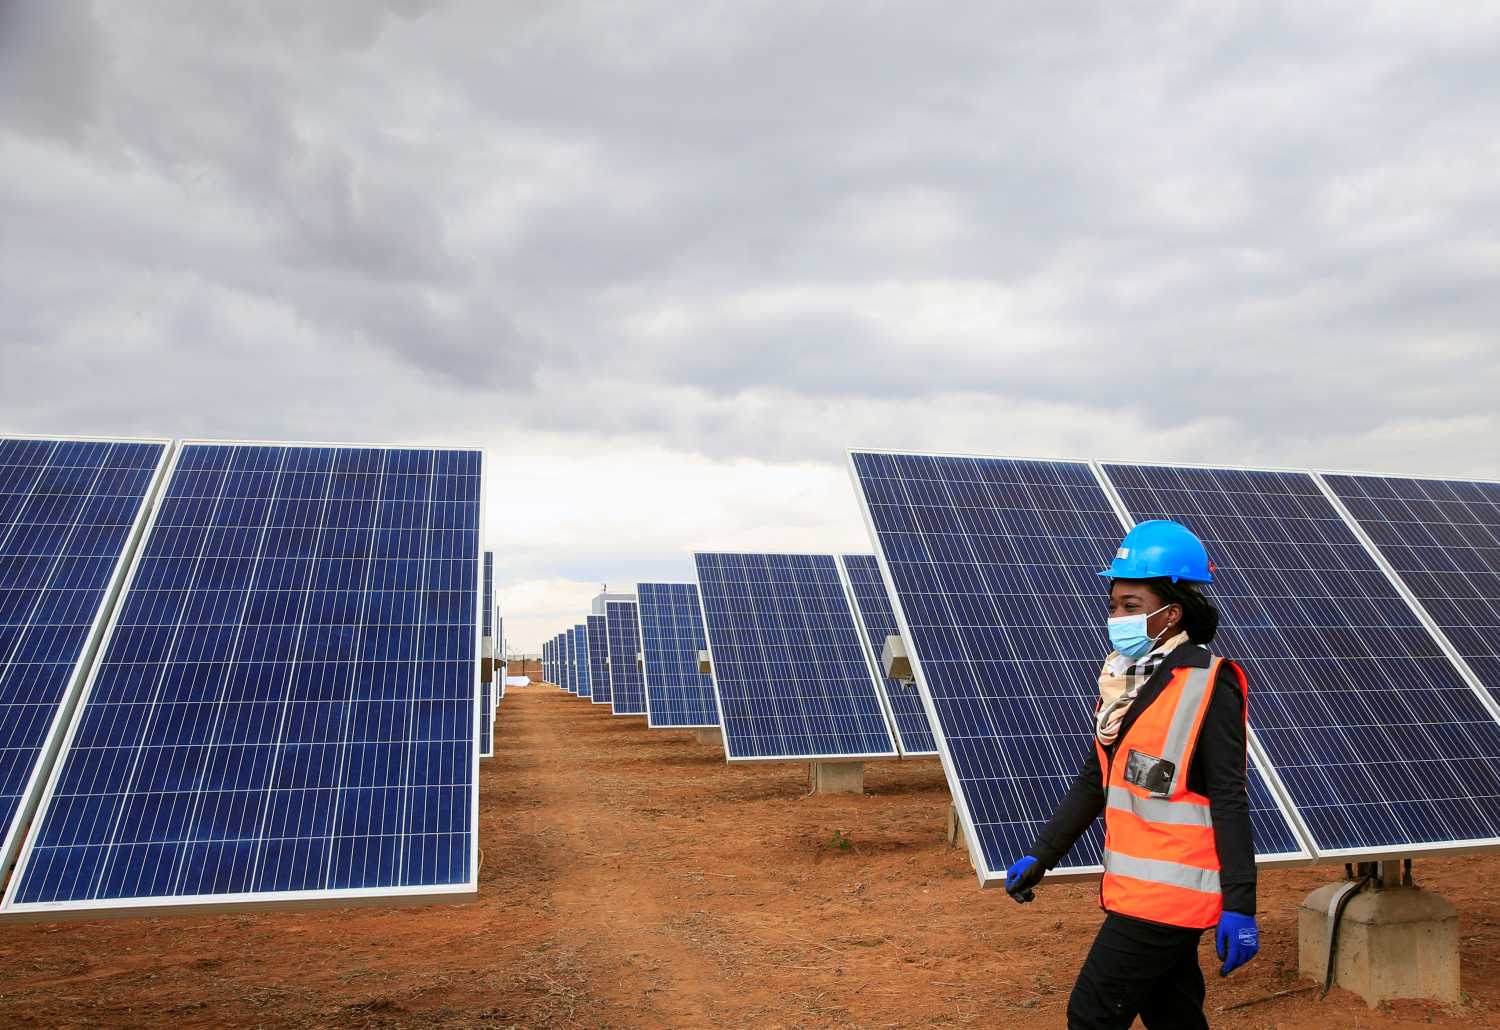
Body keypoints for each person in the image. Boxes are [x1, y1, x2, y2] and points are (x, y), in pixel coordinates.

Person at [1003, 519, 1258, 1030]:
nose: (1116, 617)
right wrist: (1042, 855)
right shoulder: (1122, 684)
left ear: (1171, 614)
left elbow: (1230, 798)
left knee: (1092, 1014)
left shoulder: (1210, 684)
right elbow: (1096, 780)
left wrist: (1241, 904)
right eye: (1114, 605)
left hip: (1169, 893)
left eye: (1131, 606)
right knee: (1173, 1014)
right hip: (1138, 887)